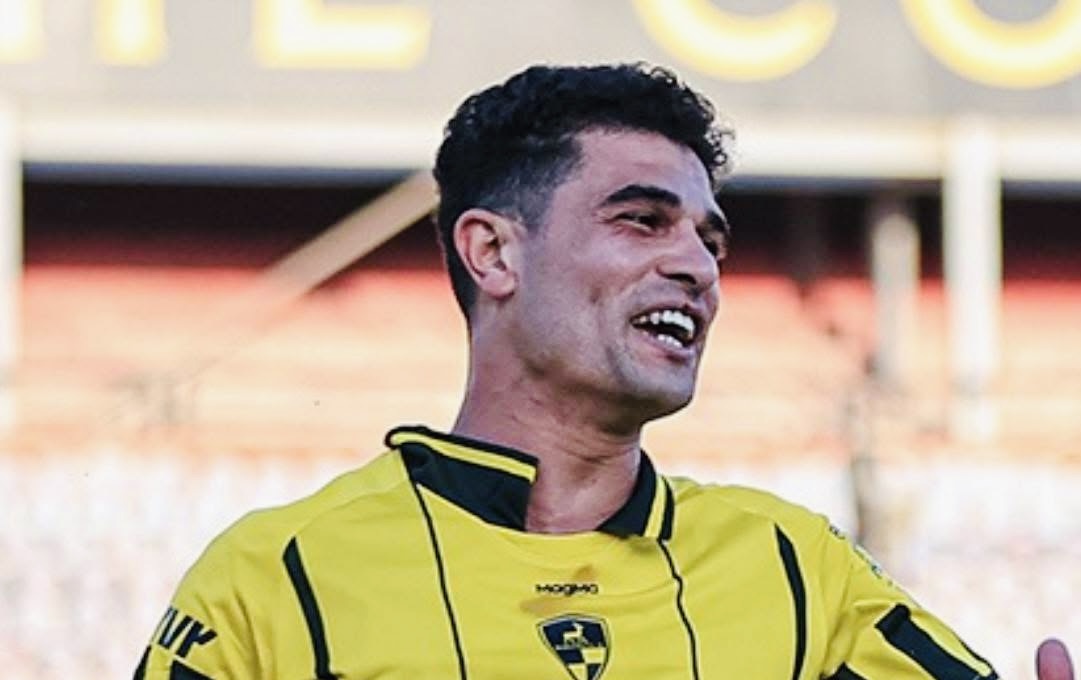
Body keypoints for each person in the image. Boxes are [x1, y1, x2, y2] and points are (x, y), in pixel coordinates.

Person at [134, 63, 1073, 680]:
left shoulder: (795, 569)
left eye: (709, 240)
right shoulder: (277, 578)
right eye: (641, 220)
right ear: (493, 254)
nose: (695, 266)